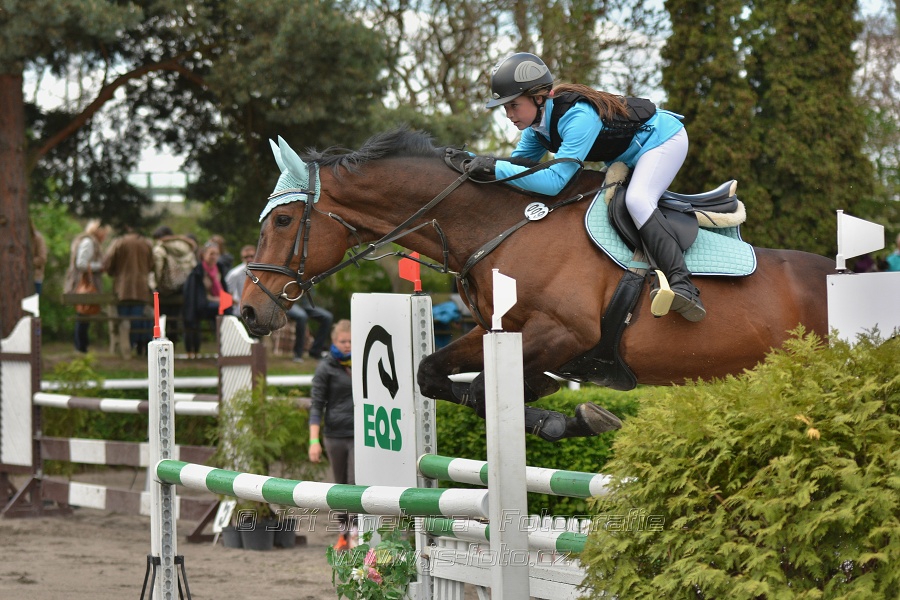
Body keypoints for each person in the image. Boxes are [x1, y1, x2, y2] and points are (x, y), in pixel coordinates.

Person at [474, 52, 705, 322]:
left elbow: (554, 182)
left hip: (662, 140)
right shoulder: (536, 129)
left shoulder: (578, 116)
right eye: (505, 108)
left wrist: (494, 167)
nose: (509, 115)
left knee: (638, 200)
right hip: (627, 155)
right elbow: (517, 166)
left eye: (514, 105)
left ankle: (682, 284)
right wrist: (473, 165)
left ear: (539, 97)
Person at [308, 319, 355, 550]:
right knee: (340, 486)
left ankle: (356, 534)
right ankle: (343, 533)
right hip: (334, 434)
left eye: (350, 341)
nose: (347, 345)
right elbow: (317, 405)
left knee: (355, 484)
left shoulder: (363, 362)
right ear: (334, 342)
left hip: (359, 435)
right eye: (342, 341)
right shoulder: (325, 367)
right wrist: (313, 441)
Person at [104, 226, 154, 357]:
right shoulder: (146, 243)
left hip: (123, 287)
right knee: (136, 319)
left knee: (124, 320)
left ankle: (126, 347)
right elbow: (152, 264)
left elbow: (108, 263)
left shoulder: (119, 242)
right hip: (141, 287)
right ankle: (134, 345)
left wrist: (114, 272)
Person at [64, 219, 109, 353]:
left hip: (84, 283)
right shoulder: (88, 242)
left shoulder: (90, 242)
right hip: (83, 283)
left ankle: (82, 345)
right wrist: (99, 267)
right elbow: (81, 264)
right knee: (83, 314)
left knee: (84, 314)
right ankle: (80, 346)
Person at [151, 226, 198, 345]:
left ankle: (163, 343)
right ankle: (175, 342)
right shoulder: (186, 247)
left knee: (161, 318)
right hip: (183, 288)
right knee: (176, 318)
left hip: (165, 290)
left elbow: (158, 269)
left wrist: (156, 284)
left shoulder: (160, 248)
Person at [182, 241, 230, 358]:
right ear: (203, 255)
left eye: (216, 254)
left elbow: (224, 290)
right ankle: (193, 351)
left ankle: (227, 348)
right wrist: (218, 299)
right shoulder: (198, 271)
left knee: (228, 311)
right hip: (200, 306)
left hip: (217, 303)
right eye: (211, 253)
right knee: (223, 309)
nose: (214, 257)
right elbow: (196, 296)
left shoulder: (219, 269)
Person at [287, 297, 334, 362]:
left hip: (305, 304)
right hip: (289, 303)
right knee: (302, 317)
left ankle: (315, 351)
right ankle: (298, 354)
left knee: (328, 317)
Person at [30, 221, 48, 295]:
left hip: (34, 278)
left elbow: (42, 258)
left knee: (31, 302)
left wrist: (26, 263)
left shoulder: (37, 238)